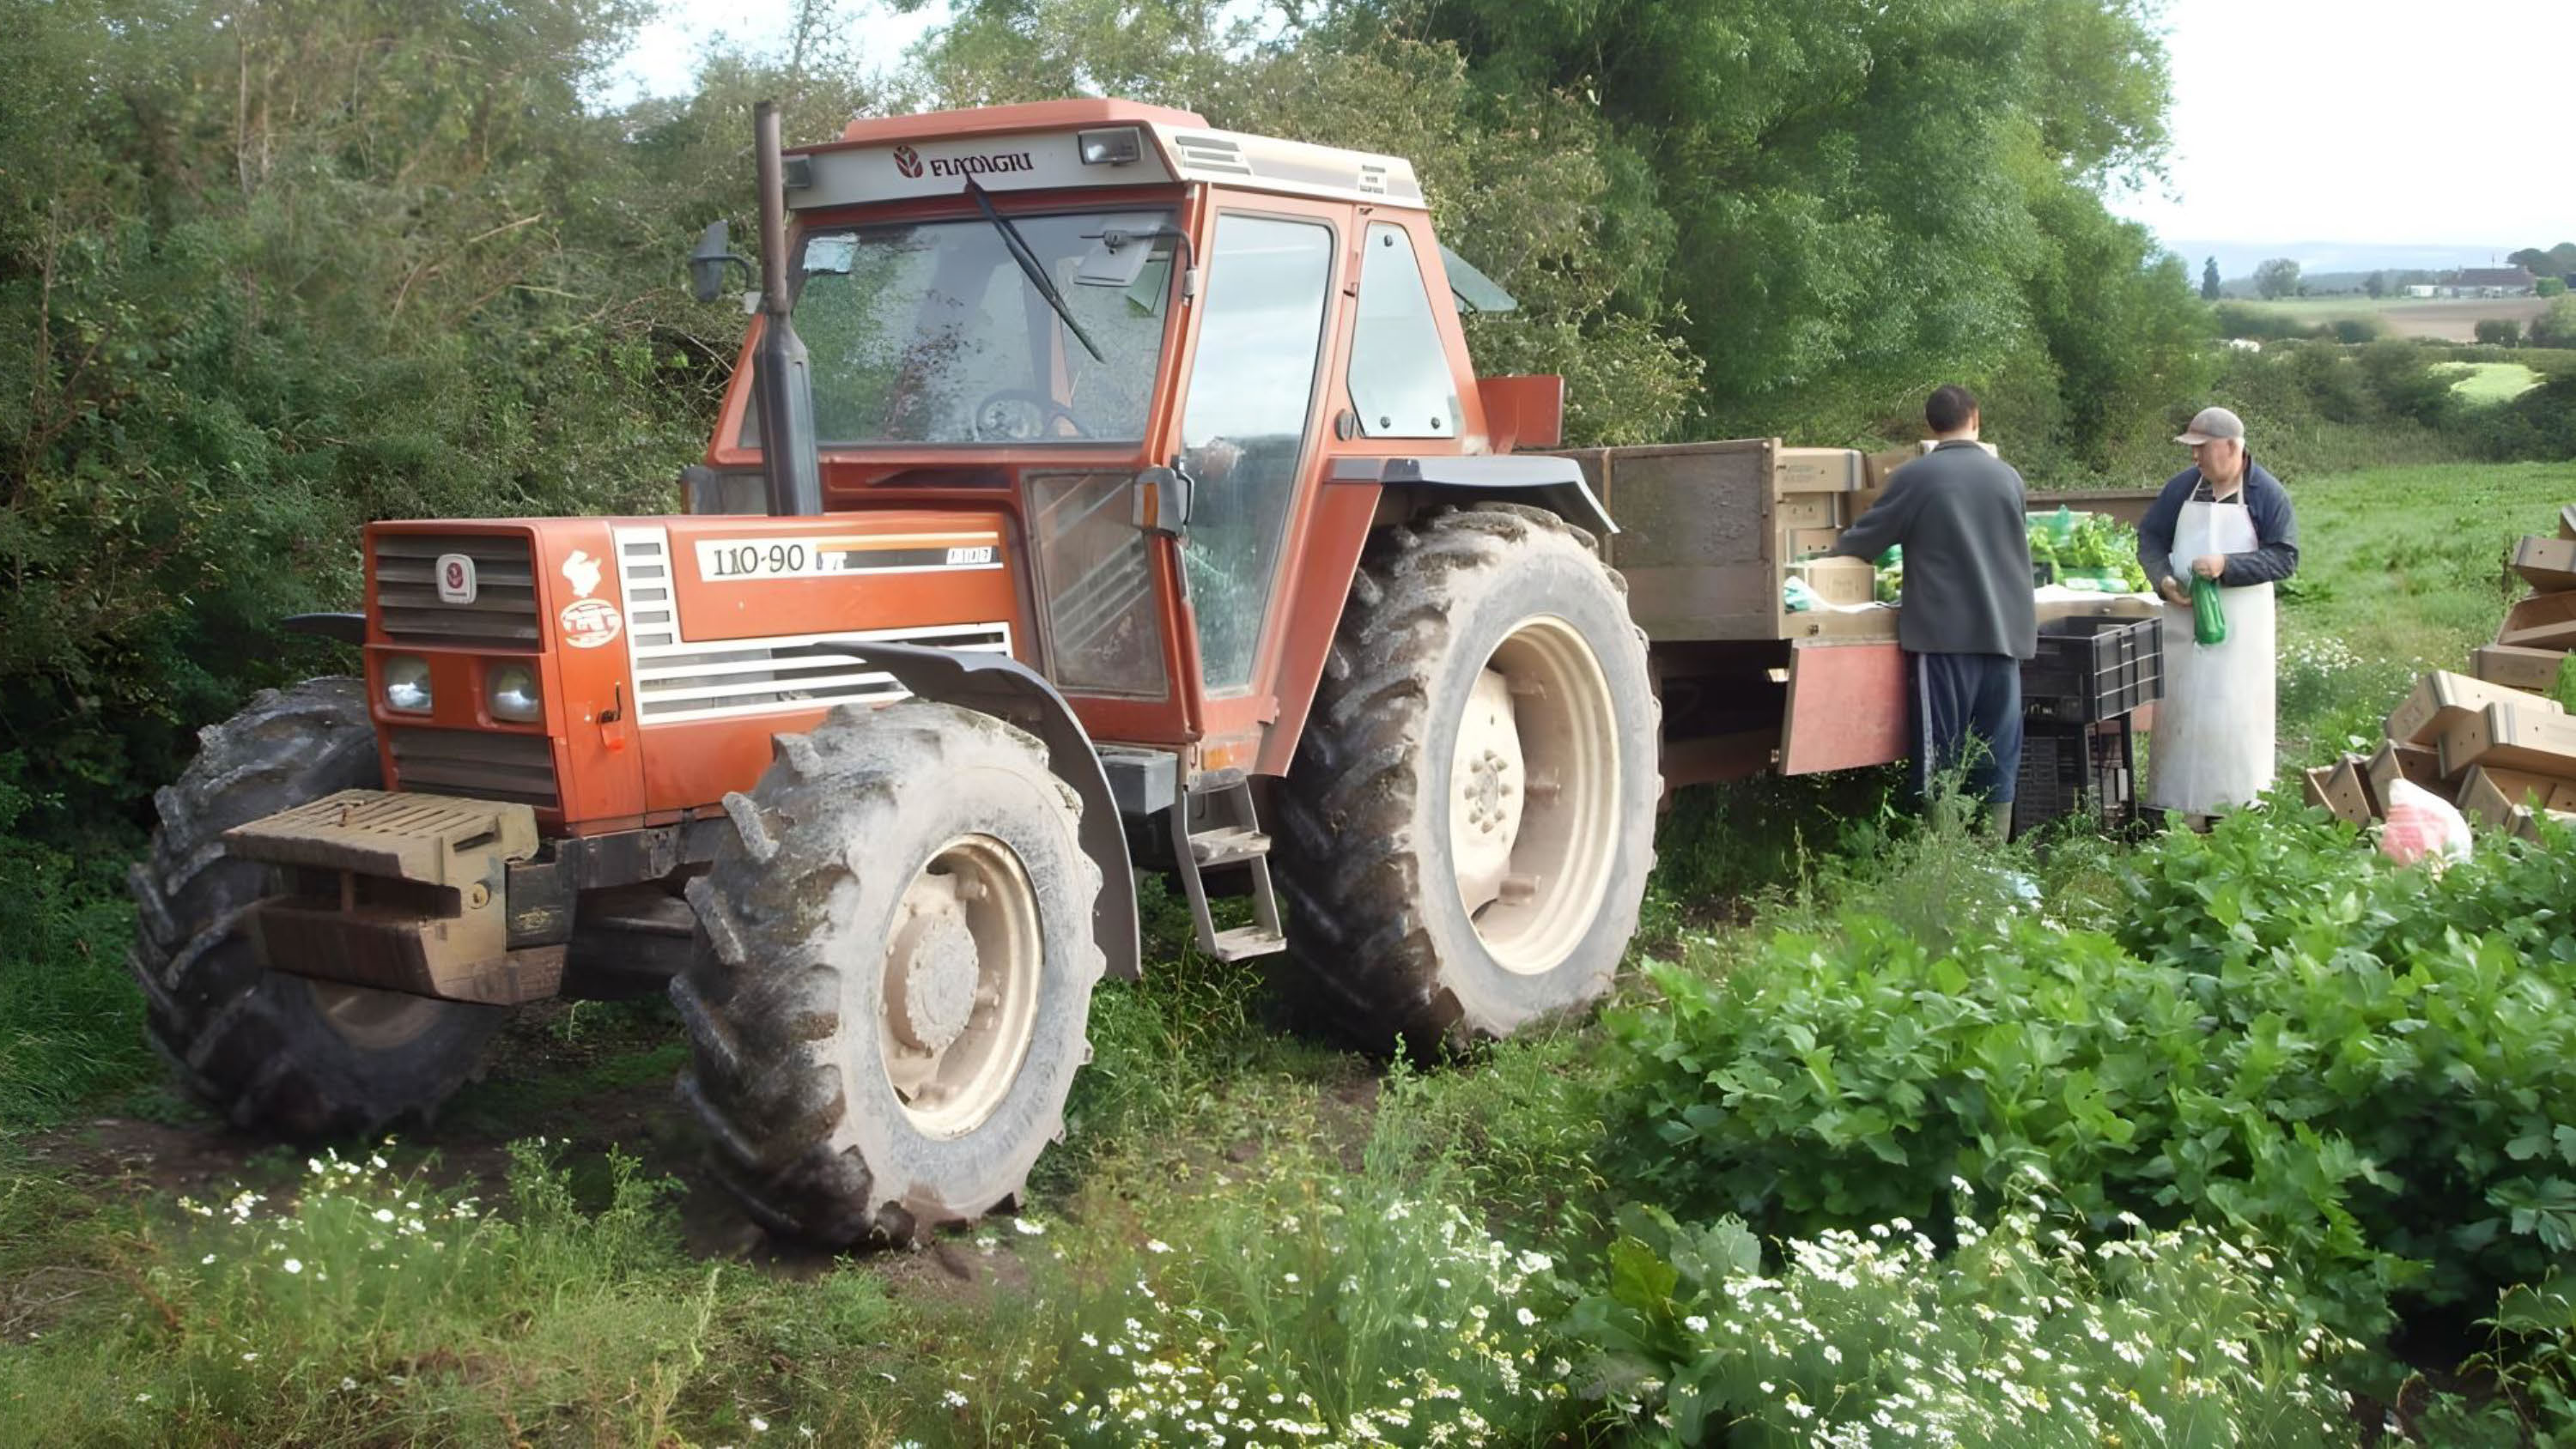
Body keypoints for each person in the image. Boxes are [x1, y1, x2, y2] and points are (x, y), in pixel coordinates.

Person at [1831, 385, 2037, 839]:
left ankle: (1941, 860)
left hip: (1945, 640)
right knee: (1996, 755)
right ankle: (1991, 861)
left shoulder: (1916, 477)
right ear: (1976, 419)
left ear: (1929, 426)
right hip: (2006, 638)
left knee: (1939, 757)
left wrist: (1825, 557)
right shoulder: (2009, 477)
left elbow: (1865, 540)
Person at [2136, 405, 2300, 822]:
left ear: (2232, 447)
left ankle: (2238, 810)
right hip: (2182, 628)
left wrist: (2228, 566)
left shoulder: (2267, 495)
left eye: (2202, 449)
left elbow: (2285, 558)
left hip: (2242, 637)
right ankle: (2170, 807)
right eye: (2192, 450)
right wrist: (2164, 581)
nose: (2195, 458)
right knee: (2180, 712)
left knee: (2235, 716)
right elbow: (2151, 538)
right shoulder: (2182, 489)